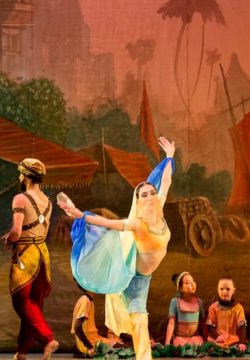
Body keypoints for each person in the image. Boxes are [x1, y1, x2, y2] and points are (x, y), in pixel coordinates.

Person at [60, 137, 175, 360]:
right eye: (144, 195)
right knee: (139, 319)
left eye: (152, 192)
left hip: (145, 277)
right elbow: (107, 223)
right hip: (134, 279)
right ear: (138, 201)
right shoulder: (136, 224)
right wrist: (80, 215)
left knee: (136, 320)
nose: (150, 197)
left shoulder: (159, 207)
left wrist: (169, 156)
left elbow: (167, 180)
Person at [6, 158, 59, 360]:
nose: (20, 177)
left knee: (21, 302)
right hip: (42, 254)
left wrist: (9, 239)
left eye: (21, 174)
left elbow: (17, 231)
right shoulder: (48, 202)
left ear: (26, 177)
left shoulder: (20, 199)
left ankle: (48, 339)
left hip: (26, 254)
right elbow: (40, 229)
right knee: (34, 305)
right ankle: (22, 352)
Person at [71, 285, 118, 357]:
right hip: (89, 343)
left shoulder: (88, 300)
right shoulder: (85, 301)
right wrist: (89, 347)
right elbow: (77, 327)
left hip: (93, 339)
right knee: (123, 346)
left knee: (120, 342)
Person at [206, 277, 247, 351]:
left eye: (228, 289)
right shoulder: (213, 307)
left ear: (233, 290)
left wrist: (242, 342)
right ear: (218, 290)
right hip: (217, 339)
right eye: (221, 289)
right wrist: (217, 337)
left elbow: (242, 326)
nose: (224, 291)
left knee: (236, 348)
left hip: (232, 339)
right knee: (212, 347)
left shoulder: (238, 308)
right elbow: (210, 326)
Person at [165, 272, 205, 347]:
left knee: (198, 346)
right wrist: (167, 342)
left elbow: (202, 323)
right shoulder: (175, 302)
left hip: (195, 338)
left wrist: (206, 339)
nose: (192, 284)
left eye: (193, 281)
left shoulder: (199, 302)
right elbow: (171, 323)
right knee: (181, 346)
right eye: (188, 283)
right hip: (180, 338)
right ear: (180, 288)